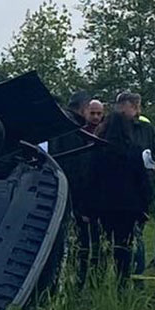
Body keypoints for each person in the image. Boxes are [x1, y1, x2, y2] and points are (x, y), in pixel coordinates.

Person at [85, 111, 152, 288]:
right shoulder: (135, 150)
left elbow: (90, 179)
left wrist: (87, 207)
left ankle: (97, 284)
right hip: (128, 208)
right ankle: (122, 283)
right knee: (124, 247)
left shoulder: (97, 151)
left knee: (101, 247)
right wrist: (144, 206)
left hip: (103, 206)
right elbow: (143, 181)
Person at [48, 93, 98, 289]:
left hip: (58, 193)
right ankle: (72, 284)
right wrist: (83, 203)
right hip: (72, 198)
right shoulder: (73, 130)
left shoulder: (57, 128)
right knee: (76, 244)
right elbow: (77, 168)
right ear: (83, 108)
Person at [113, 92, 155, 277]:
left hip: (141, 186)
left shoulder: (146, 128)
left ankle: (138, 275)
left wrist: (152, 165)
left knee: (137, 234)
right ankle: (122, 274)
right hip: (118, 189)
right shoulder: (114, 128)